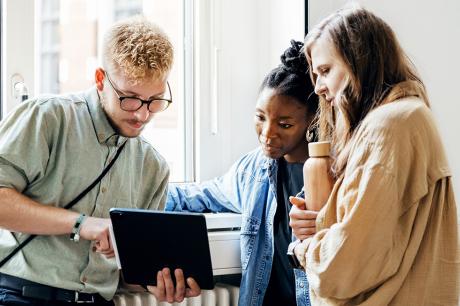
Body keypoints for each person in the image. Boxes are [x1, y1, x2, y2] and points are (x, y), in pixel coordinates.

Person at [0, 16, 199, 305]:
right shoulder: (46, 118)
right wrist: (83, 224)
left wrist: (154, 284)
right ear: (100, 80)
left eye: (154, 100)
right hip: (22, 295)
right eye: (129, 98)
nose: (142, 115)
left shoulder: (153, 167)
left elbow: (130, 271)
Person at [289, 6, 459, 305]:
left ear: (360, 61)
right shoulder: (410, 117)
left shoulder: (387, 126)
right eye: (315, 75)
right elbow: (384, 235)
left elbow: (344, 267)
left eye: (326, 71)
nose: (318, 88)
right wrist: (322, 221)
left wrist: (304, 248)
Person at [166, 40, 318, 306]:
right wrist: (131, 192)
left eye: (285, 124)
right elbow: (197, 196)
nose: (267, 133)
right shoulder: (254, 170)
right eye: (260, 117)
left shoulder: (333, 175)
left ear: (312, 121)